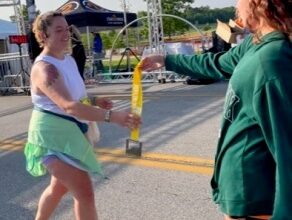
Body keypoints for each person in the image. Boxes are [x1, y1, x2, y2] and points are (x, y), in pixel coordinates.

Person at [141, 0, 292, 219]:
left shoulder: (272, 60)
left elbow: (287, 149)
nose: (236, 7)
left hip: (255, 195)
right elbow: (217, 63)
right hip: (241, 192)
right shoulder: (256, 43)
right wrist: (167, 60)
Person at [24, 11, 141, 220]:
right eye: (58, 30)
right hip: (53, 139)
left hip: (72, 135)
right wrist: (112, 116)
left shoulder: (67, 60)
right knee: (84, 193)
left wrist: (95, 101)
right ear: (43, 36)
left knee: (58, 189)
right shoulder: (44, 69)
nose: (65, 34)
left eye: (66, 29)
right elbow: (69, 106)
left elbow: (77, 98)